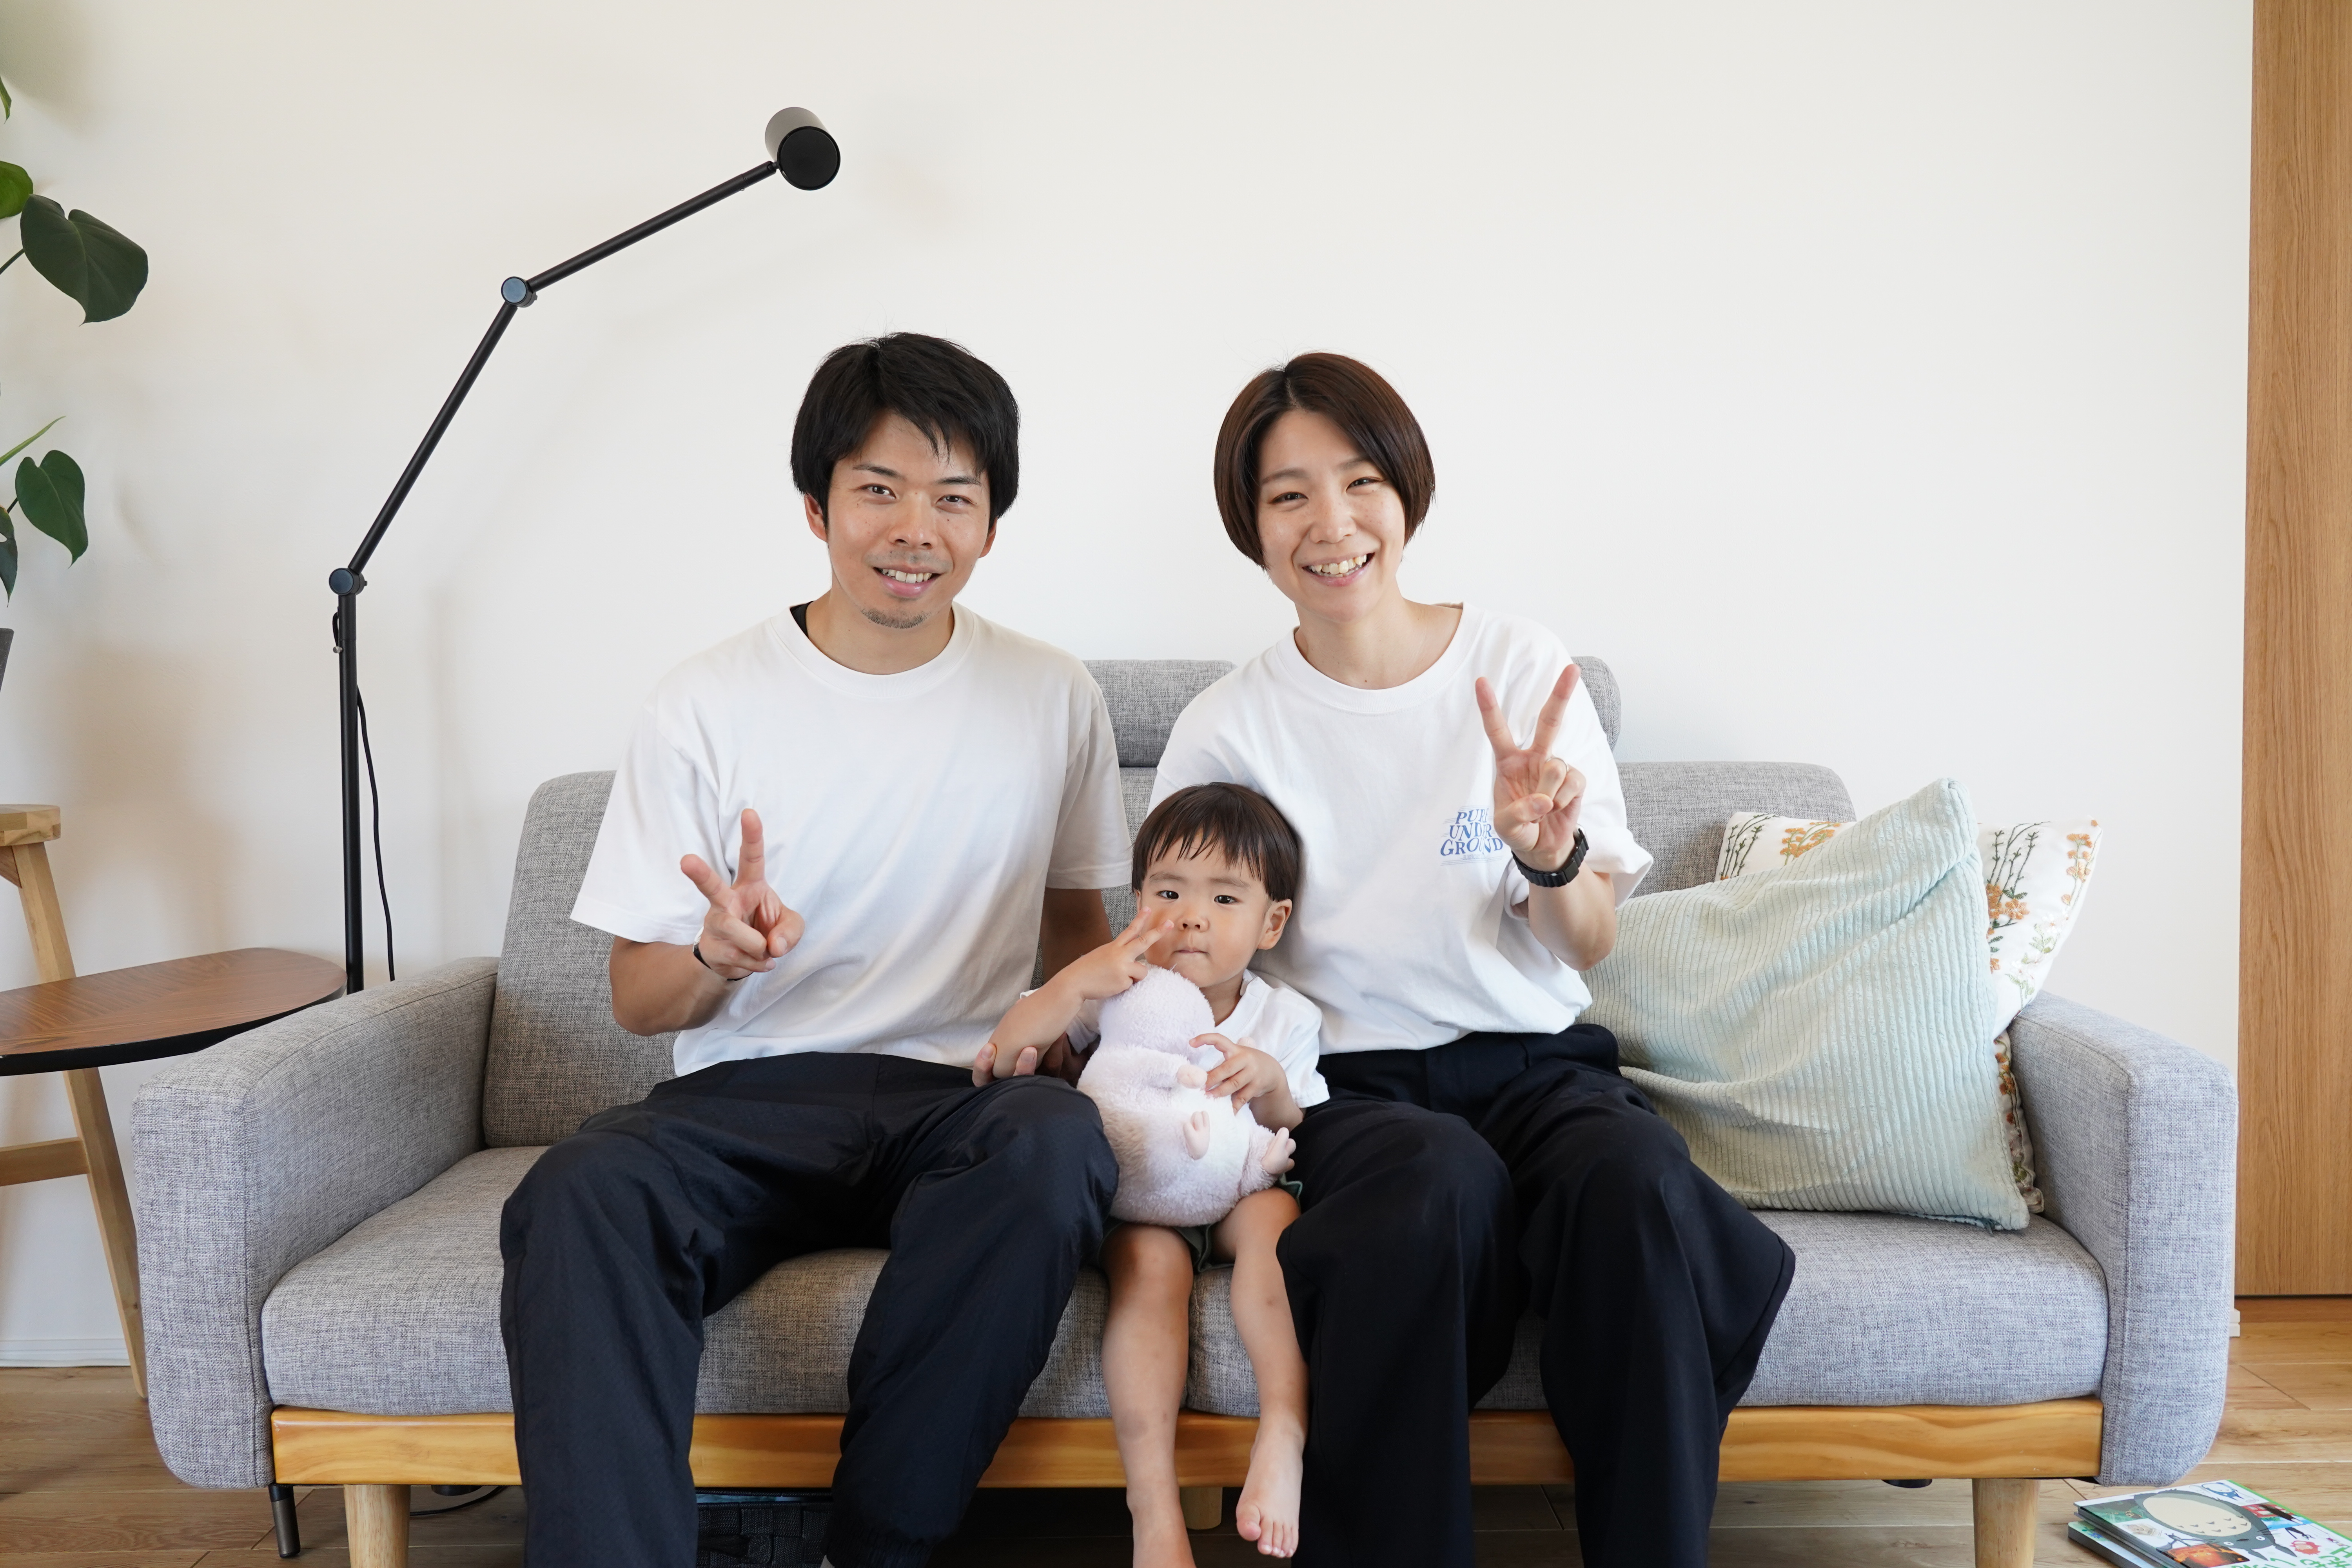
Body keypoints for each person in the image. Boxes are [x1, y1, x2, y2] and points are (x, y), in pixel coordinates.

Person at [1150, 352, 1797, 1568]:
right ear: (1252, 526)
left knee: (1637, 1183)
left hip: (1540, 1067)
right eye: (1289, 495)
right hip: (1354, 1090)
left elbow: (1589, 942)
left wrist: (1551, 858)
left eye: (1360, 482)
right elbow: (1186, 955)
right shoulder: (1227, 727)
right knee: (1433, 1185)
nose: (1332, 523)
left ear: (1407, 491)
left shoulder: (1520, 666)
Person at [498, 332, 1131, 1568]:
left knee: (1056, 1147)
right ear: (816, 506)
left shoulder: (1054, 694)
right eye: (879, 489)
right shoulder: (705, 701)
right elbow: (637, 999)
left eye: (954, 498)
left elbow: (1075, 934)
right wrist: (718, 959)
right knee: (578, 1192)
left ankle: (871, 1549)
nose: (915, 529)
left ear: (992, 524)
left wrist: (1083, 1036)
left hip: (964, 1095)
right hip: (753, 1097)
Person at [978, 783, 1327, 1564]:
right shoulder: (1115, 990)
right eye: (1169, 893)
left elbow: (1296, 1121)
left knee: (1277, 1224)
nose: (1192, 916)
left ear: (1272, 921)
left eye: (1225, 898)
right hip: (1141, 1202)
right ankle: (1153, 1505)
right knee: (1148, 1270)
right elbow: (1003, 1051)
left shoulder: (1283, 1015)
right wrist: (1075, 981)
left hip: (1238, 1191)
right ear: (1138, 902)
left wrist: (1268, 1081)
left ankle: (1283, 1426)